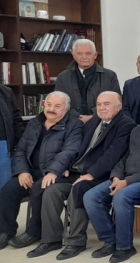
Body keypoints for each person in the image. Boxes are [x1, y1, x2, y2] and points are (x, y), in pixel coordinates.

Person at [31, 92, 136, 259]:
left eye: (107, 104)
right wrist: (65, 167)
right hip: (77, 171)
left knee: (78, 190)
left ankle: (76, 241)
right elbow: (76, 147)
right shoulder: (94, 121)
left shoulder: (126, 124)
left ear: (119, 106)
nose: (102, 108)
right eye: (99, 104)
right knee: (51, 190)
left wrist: (91, 174)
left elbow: (113, 155)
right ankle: (51, 239)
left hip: (101, 175)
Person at [84, 96, 140, 263]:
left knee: (121, 196)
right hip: (123, 178)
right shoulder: (137, 130)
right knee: (91, 196)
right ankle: (110, 241)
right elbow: (124, 156)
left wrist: (127, 182)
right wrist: (116, 176)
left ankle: (125, 247)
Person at [0, 92, 82, 251]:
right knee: (9, 190)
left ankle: (34, 231)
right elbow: (21, 150)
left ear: (66, 109)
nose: (51, 109)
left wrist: (53, 171)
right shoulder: (34, 123)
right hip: (32, 171)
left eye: (57, 106)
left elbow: (70, 151)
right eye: (49, 105)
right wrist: (22, 171)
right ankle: (5, 231)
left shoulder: (74, 125)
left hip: (59, 172)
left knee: (39, 189)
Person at [55, 39, 121, 123]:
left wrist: (93, 116)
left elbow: (116, 102)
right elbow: (58, 102)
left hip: (102, 122)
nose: (84, 57)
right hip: (71, 122)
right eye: (79, 53)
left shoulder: (110, 76)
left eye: (88, 53)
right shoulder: (62, 77)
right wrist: (77, 116)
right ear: (73, 55)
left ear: (95, 55)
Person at [0, 83, 26, 188]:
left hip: (4, 143)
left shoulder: (6, 92)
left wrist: (21, 142)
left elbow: (16, 118)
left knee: (4, 186)